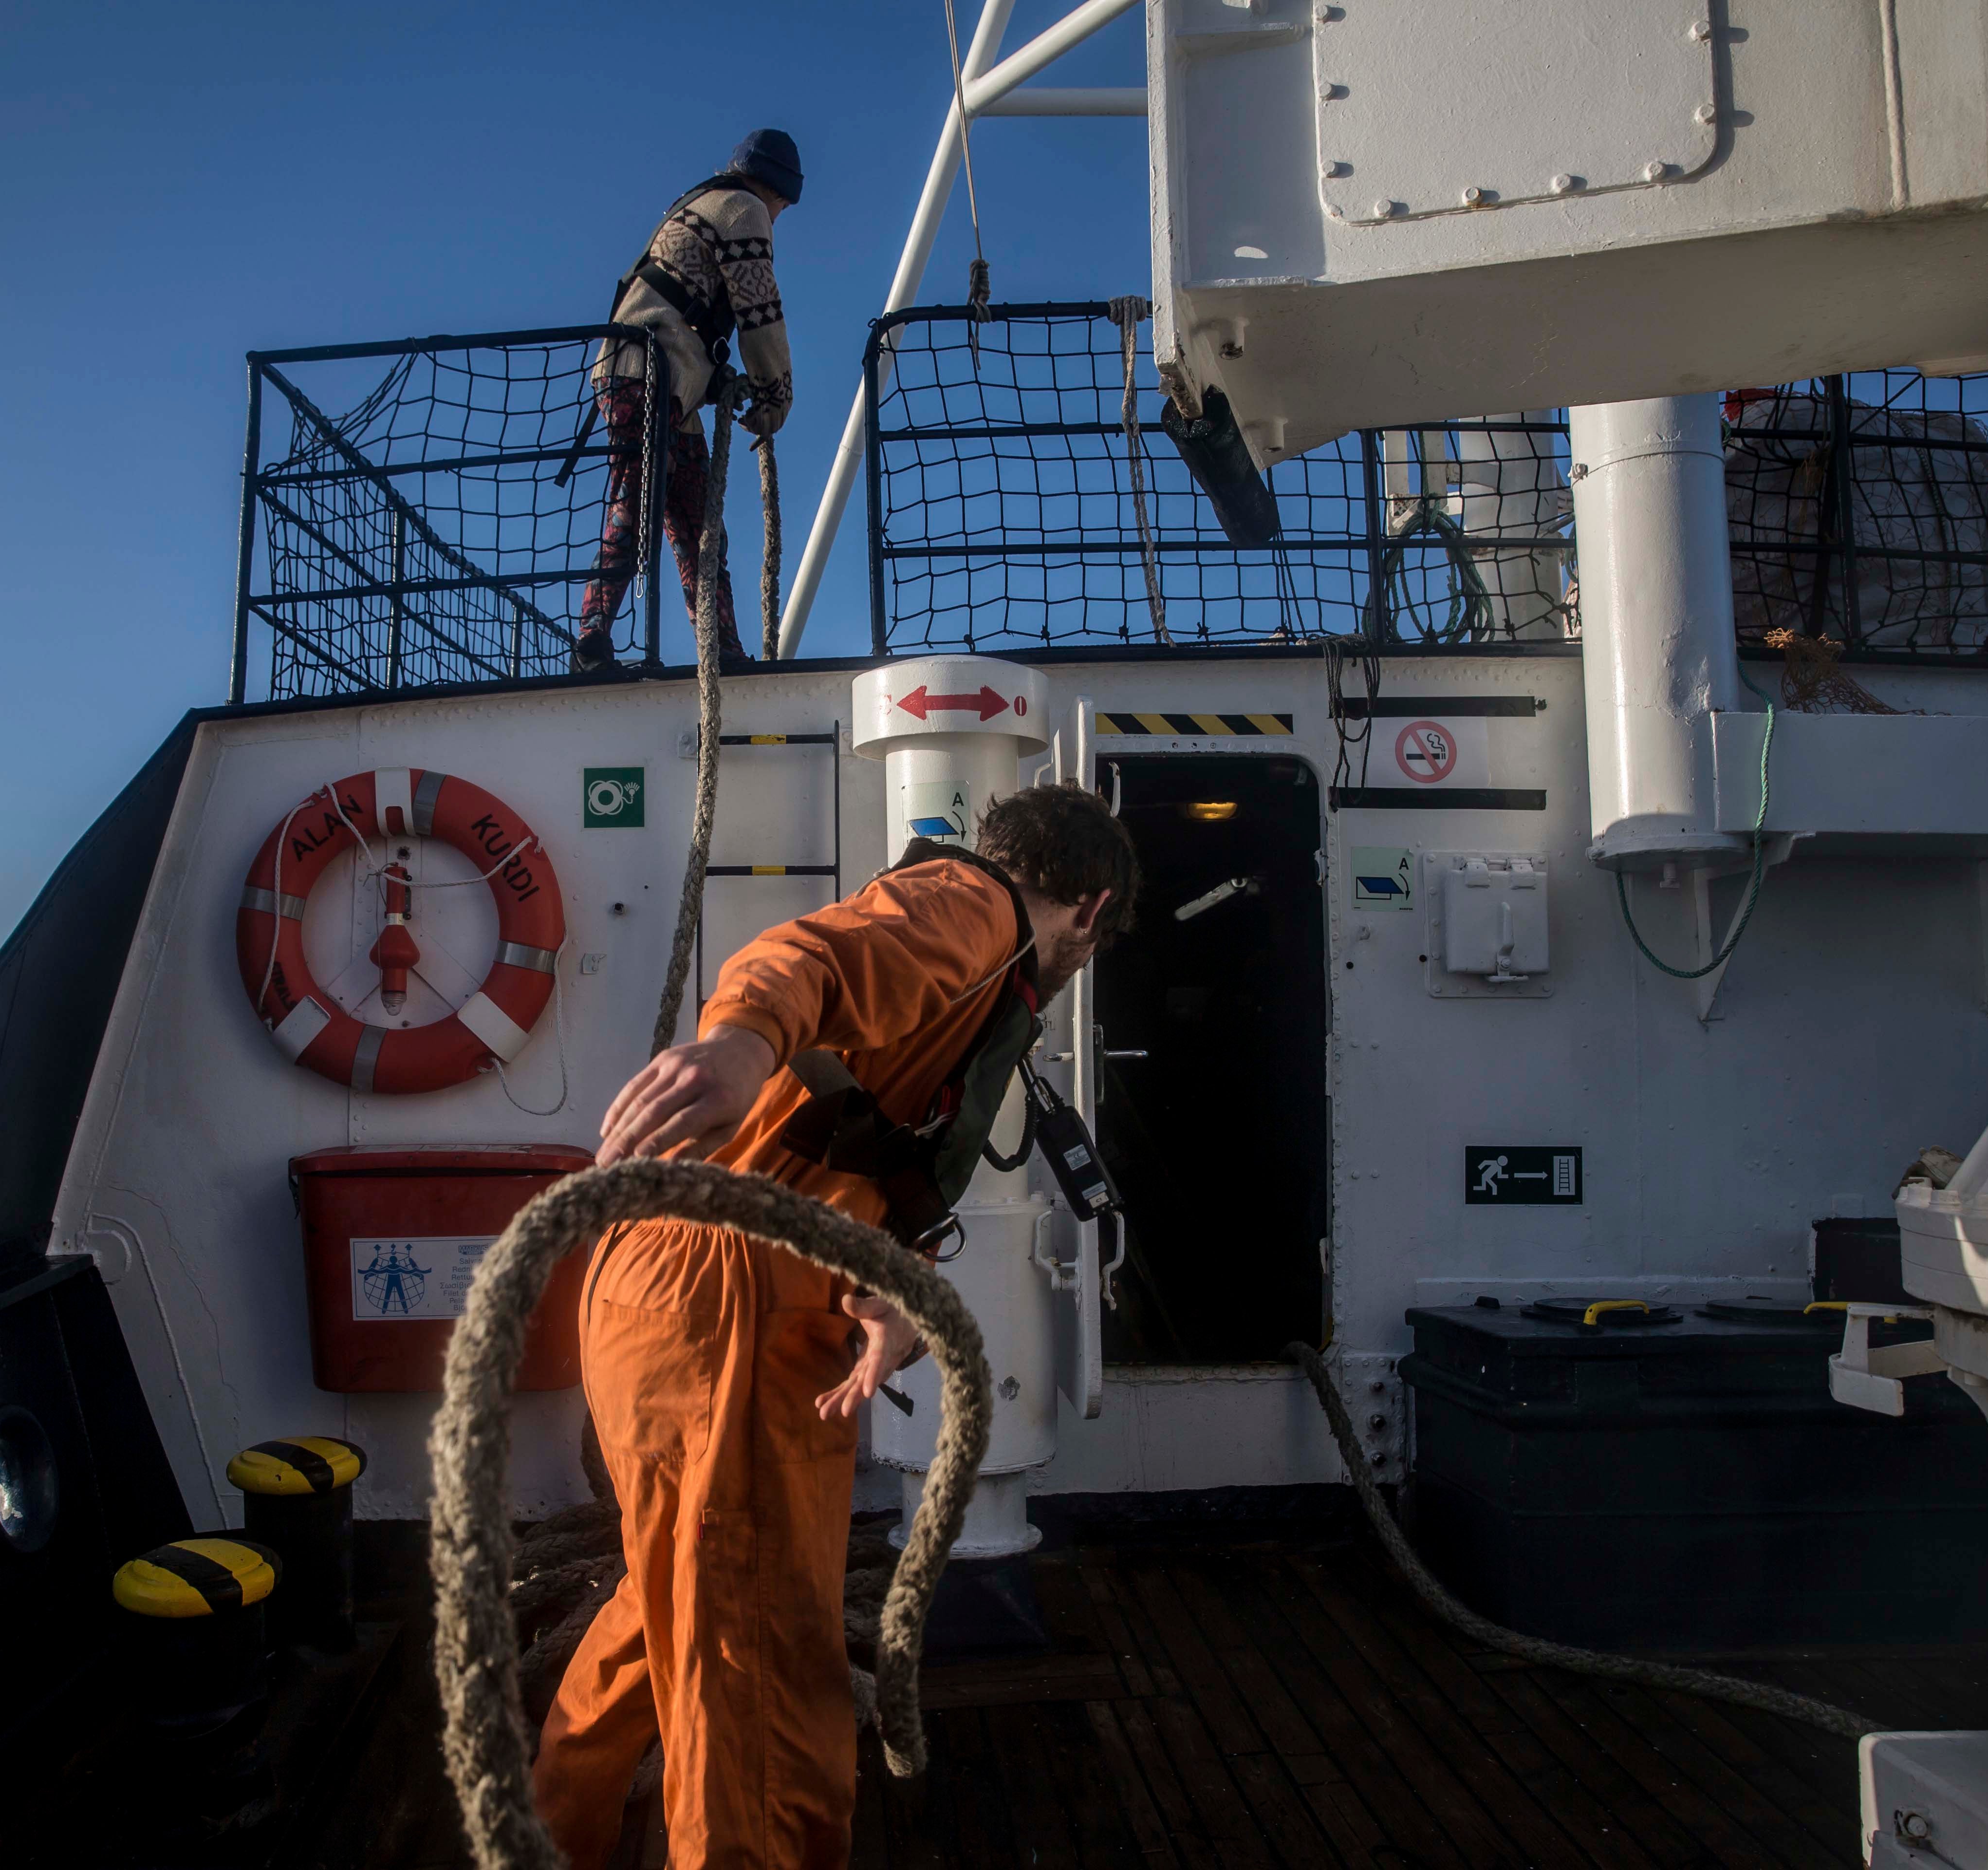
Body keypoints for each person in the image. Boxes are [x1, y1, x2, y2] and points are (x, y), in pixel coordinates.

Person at [533, 784, 1140, 1868]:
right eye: (1093, 944)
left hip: (689, 1290)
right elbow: (809, 957)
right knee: (762, 1671)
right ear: (1088, 912)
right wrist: (739, 1046)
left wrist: (895, 1298)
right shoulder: (978, 906)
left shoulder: (970, 975)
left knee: (674, 1601)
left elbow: (874, 1150)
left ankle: (549, 1840)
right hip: (730, 1298)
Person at [572, 129, 800, 674]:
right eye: (783, 208)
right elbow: (759, 311)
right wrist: (775, 397)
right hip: (645, 378)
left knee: (698, 525)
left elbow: (684, 310)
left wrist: (718, 381)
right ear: (778, 193)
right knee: (637, 503)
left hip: (666, 382)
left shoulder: (704, 202)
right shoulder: (743, 209)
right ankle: (592, 639)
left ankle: (721, 647)